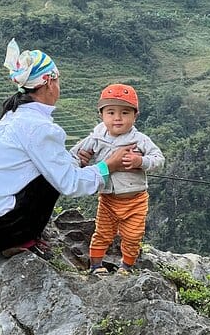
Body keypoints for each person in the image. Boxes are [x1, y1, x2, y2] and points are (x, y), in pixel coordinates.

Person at [0, 39, 134, 259]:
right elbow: (70, 184)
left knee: (49, 171)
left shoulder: (13, 115)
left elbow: (43, 161)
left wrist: (73, 160)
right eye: (58, 81)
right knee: (49, 182)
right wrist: (108, 166)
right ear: (49, 83)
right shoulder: (40, 128)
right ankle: (18, 240)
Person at [70, 83, 165, 275]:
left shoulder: (140, 140)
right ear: (101, 115)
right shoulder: (95, 138)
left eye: (125, 112)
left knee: (133, 236)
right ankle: (96, 266)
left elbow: (159, 159)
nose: (117, 118)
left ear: (135, 116)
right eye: (111, 112)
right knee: (103, 233)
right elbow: (72, 155)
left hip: (136, 200)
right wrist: (80, 161)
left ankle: (126, 267)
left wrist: (141, 161)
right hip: (108, 199)